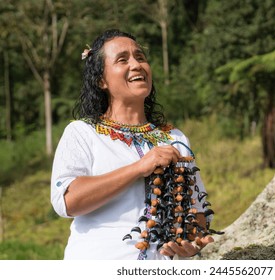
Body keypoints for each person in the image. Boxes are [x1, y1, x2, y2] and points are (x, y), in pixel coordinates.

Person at [51, 29, 213, 260]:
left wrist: (193, 241)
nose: (136, 64)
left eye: (140, 57)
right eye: (122, 60)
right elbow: (67, 201)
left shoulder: (175, 138)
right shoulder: (82, 132)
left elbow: (197, 211)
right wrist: (138, 168)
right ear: (101, 80)